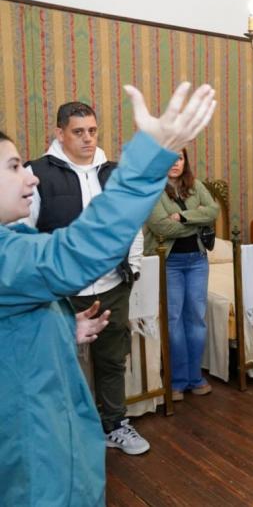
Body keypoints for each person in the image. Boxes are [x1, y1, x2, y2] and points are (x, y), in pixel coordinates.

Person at [0, 82, 215, 506]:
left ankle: (114, 423)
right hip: (37, 458)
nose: (29, 175)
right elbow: (74, 251)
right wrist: (152, 154)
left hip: (52, 442)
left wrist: (61, 325)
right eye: (13, 166)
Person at [25, 101, 149, 455]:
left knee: (112, 359)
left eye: (92, 131)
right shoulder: (38, 174)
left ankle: (115, 425)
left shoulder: (114, 173)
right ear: (60, 133)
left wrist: (132, 268)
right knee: (60, 365)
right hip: (62, 292)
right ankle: (64, 435)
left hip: (111, 287)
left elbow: (132, 224)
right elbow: (24, 234)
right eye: (78, 132)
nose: (88, 139)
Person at [144, 148, 219, 402]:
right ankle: (176, 380)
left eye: (179, 157)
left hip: (197, 260)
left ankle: (195, 377)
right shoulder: (152, 190)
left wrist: (184, 216)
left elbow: (213, 211)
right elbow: (160, 226)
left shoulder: (196, 186)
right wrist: (197, 222)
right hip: (169, 263)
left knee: (196, 318)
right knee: (173, 320)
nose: (175, 163)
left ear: (185, 161)